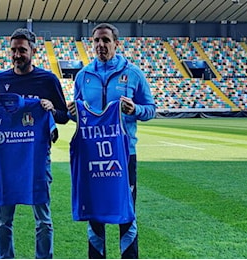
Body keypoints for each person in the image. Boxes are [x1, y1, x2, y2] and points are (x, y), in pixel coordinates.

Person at [0, 28, 69, 259]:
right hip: (6, 163)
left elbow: (64, 115)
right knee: (3, 221)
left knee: (43, 220)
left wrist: (50, 109)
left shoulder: (48, 79)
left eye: (22, 50)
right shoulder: (0, 80)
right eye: (14, 50)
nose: (17, 55)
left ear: (33, 51)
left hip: (36, 159)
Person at [67, 23, 156, 259]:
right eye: (96, 40)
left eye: (106, 40)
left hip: (124, 155)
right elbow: (73, 111)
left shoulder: (133, 73)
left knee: (127, 212)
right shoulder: (83, 75)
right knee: (95, 211)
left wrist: (135, 108)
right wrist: (70, 112)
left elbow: (151, 109)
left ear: (117, 43)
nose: (100, 45)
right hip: (92, 155)